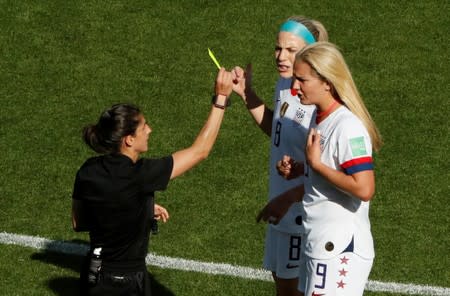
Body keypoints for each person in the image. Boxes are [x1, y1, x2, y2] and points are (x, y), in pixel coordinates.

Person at [71, 68, 233, 296]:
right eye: (143, 126)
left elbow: (79, 223)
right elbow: (200, 151)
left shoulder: (87, 171)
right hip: (128, 280)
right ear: (129, 140)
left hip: (93, 273)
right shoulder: (142, 175)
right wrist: (221, 99)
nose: (149, 130)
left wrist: (139, 209)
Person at [231, 16, 328, 296]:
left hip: (299, 210)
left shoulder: (316, 99)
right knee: (282, 286)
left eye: (290, 50)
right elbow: (277, 129)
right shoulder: (285, 85)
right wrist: (247, 94)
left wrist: (297, 172)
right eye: (278, 48)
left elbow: (325, 165)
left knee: (292, 291)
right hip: (280, 203)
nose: (280, 57)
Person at [278, 42, 382, 295]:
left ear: (327, 81)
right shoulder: (319, 116)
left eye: (302, 80)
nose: (294, 88)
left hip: (339, 250)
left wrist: (316, 165)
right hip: (320, 243)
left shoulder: (348, 127)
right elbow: (332, 170)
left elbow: (364, 188)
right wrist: (303, 169)